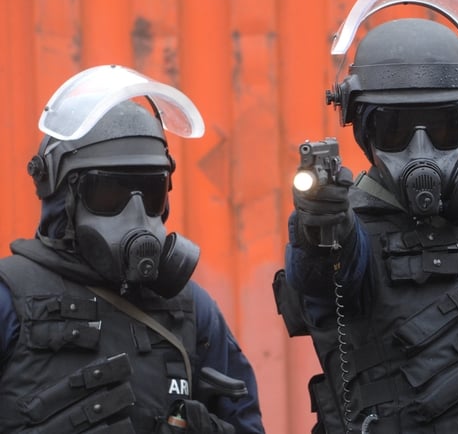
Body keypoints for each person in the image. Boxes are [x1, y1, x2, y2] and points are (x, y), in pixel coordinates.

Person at [272, 0, 458, 432]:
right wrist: (317, 223)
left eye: (443, 128)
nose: (419, 151)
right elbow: (319, 270)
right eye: (395, 129)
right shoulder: (349, 231)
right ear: (365, 134)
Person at [0, 65, 265, 433]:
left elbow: (246, 422)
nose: (136, 215)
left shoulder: (193, 309)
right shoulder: (9, 299)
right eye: (111, 193)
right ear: (64, 197)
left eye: (152, 192)